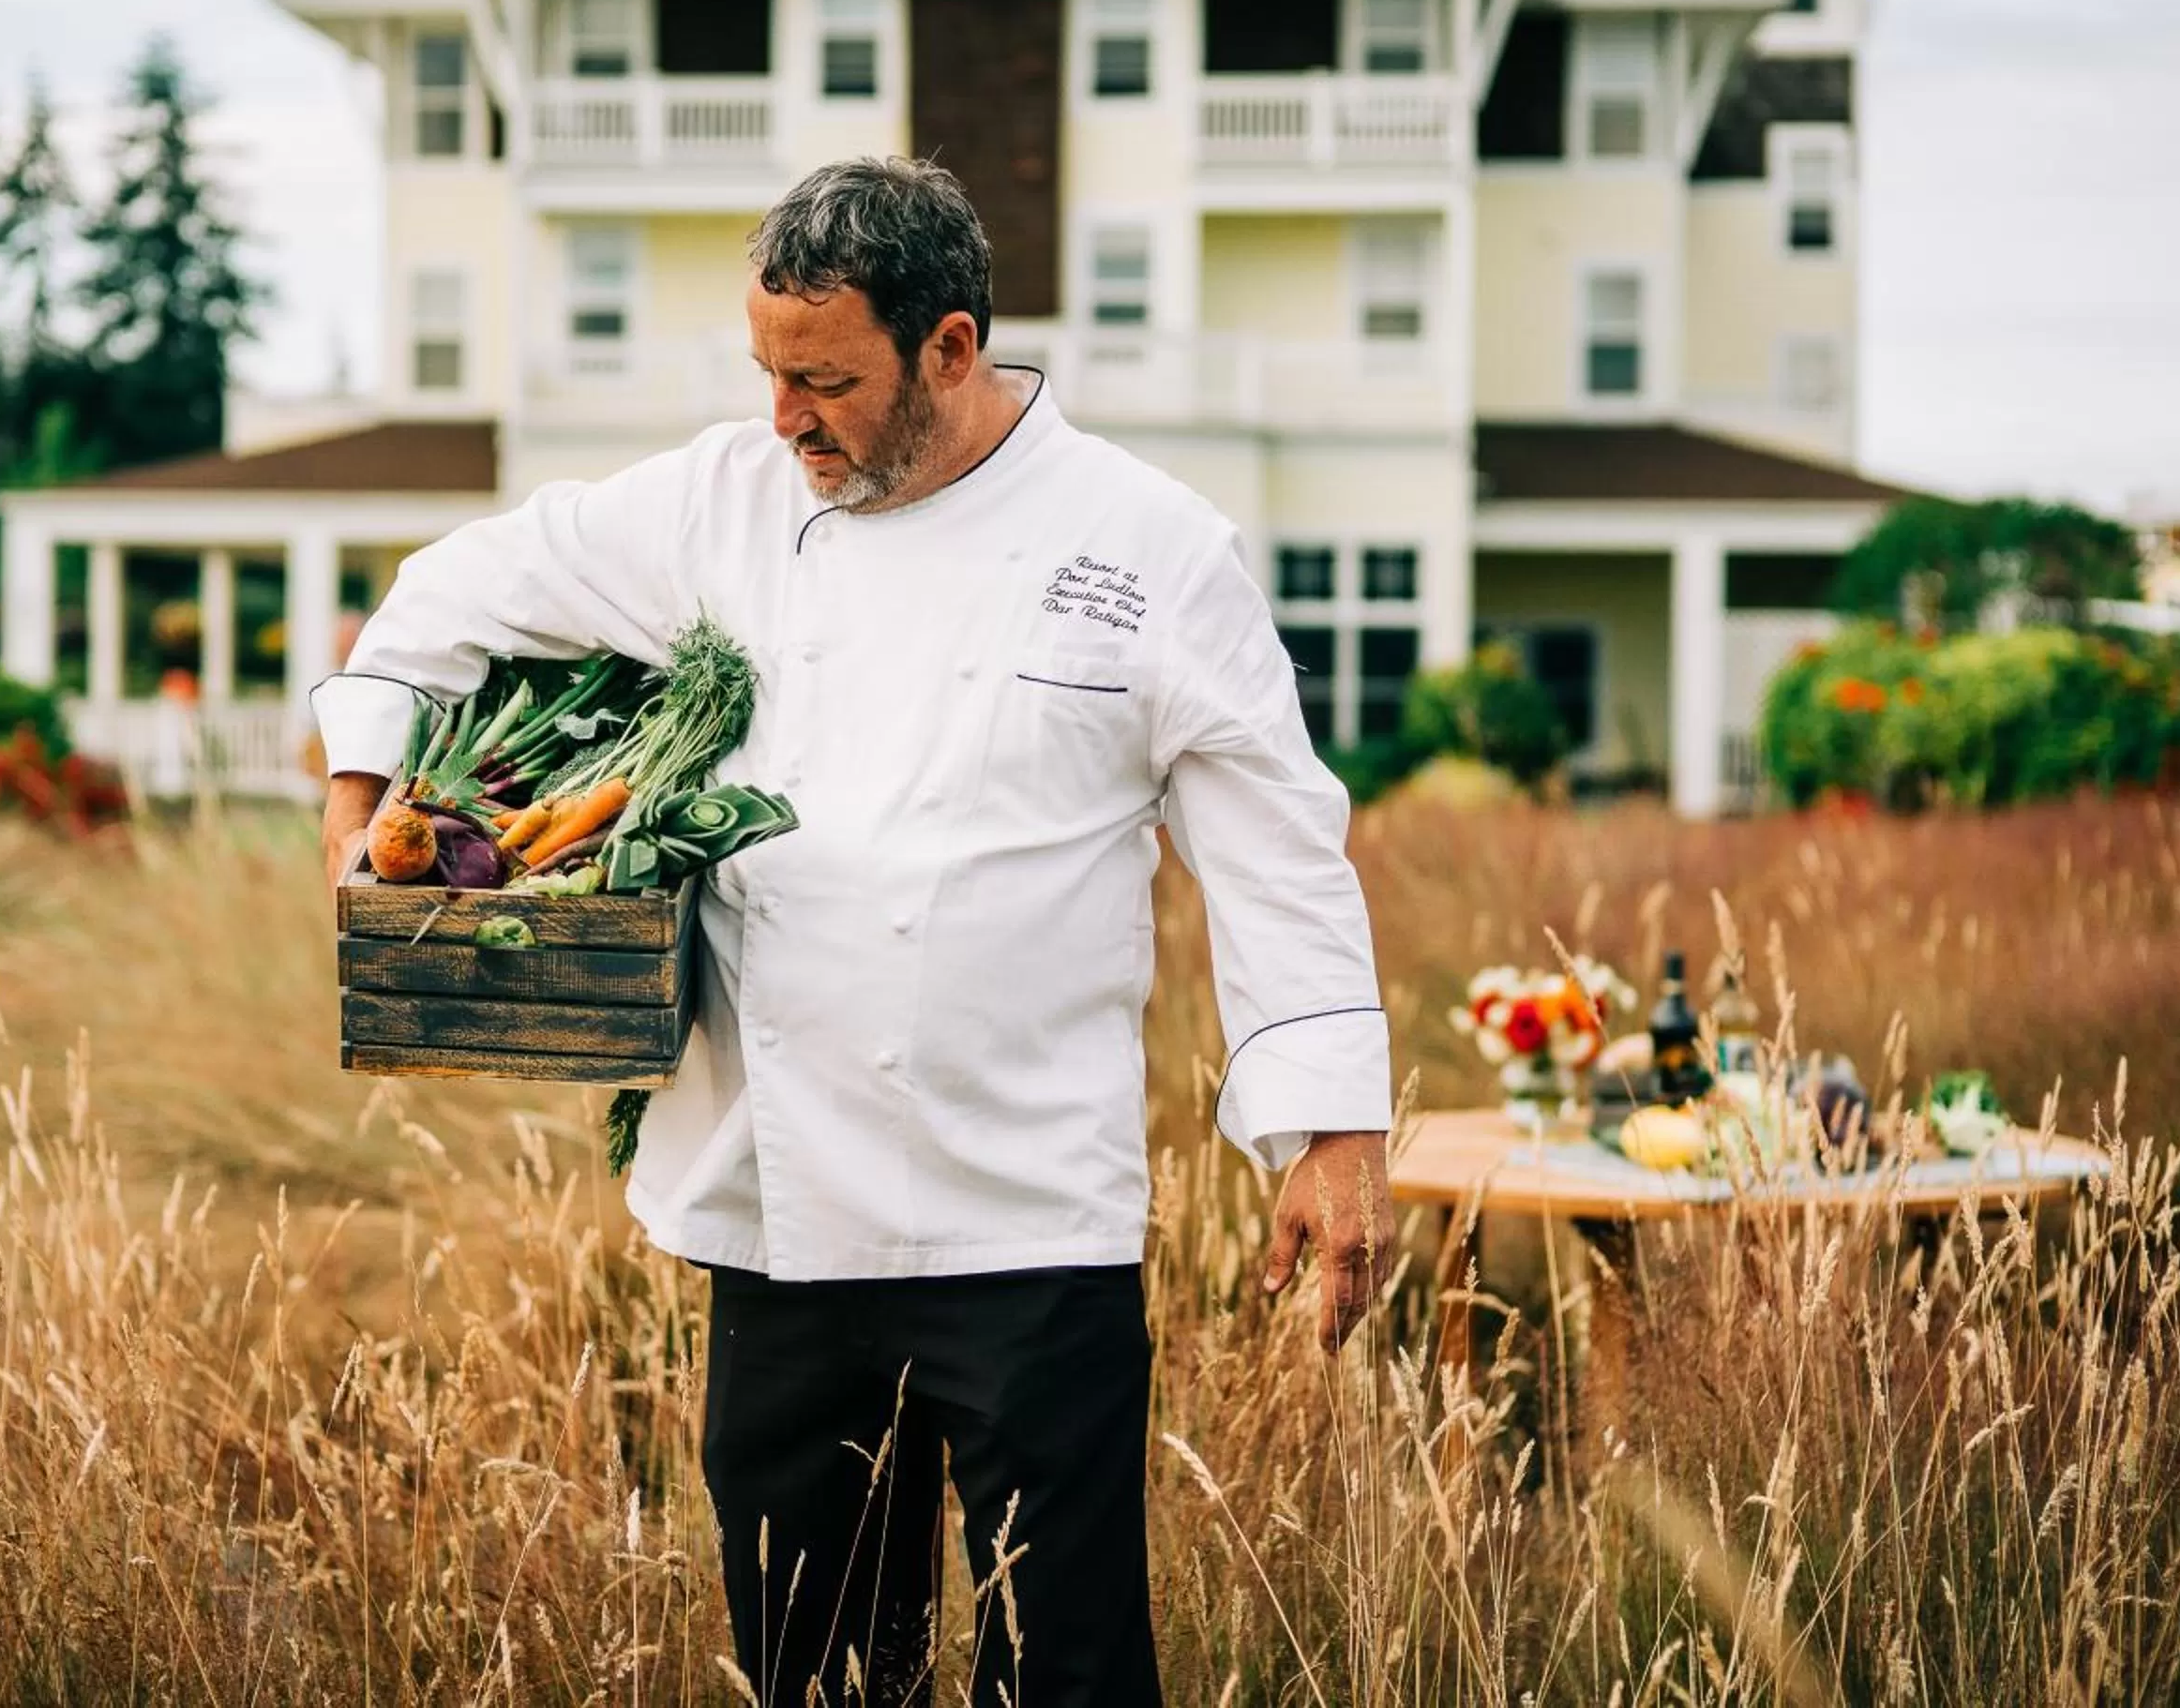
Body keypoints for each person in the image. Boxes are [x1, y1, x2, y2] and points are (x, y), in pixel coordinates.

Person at [312, 157, 1395, 1707]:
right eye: (767, 373)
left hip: (1030, 1219)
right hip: (782, 1221)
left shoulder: (1148, 547)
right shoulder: (717, 505)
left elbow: (1275, 843)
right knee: (816, 1675)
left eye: (825, 383)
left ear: (950, 349)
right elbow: (451, 594)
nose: (784, 421)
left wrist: (1332, 1129)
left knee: (1069, 1674)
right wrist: (359, 800)